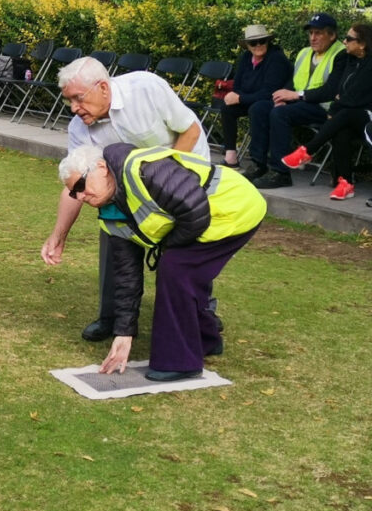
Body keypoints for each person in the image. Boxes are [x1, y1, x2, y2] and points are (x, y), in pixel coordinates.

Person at [59, 143, 266, 381]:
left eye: (81, 185)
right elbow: (127, 277)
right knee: (181, 273)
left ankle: (180, 361)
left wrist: (167, 248)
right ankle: (206, 340)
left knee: (176, 269)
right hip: (206, 219)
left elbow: (195, 211)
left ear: (102, 167)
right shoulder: (110, 216)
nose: (81, 196)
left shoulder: (146, 170)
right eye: (74, 193)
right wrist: (123, 334)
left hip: (235, 208)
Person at [41, 56, 211, 342]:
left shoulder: (146, 89)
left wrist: (170, 183)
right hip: (131, 187)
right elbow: (77, 182)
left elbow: (190, 130)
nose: (74, 108)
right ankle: (112, 317)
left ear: (103, 88)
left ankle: (201, 313)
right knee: (113, 231)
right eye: (68, 101)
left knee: (186, 248)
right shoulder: (79, 129)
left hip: (185, 175)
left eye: (78, 98)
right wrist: (58, 236)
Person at [246, 13, 346, 189]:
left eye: (318, 33)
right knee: (259, 108)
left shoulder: (341, 54)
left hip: (324, 108)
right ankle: (258, 164)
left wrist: (296, 96)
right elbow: (293, 81)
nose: (313, 38)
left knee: (280, 114)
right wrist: (282, 96)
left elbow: (331, 90)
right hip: (300, 103)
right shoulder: (304, 53)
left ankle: (280, 172)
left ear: (332, 35)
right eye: (311, 33)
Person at [280, 23, 372, 201]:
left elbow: (355, 98)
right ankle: (345, 183)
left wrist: (338, 105)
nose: (344, 41)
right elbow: (341, 92)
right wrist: (337, 106)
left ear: (362, 44)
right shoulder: (350, 61)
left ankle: (307, 150)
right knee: (341, 132)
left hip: (367, 116)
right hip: (350, 115)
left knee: (346, 114)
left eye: (349, 39)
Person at [219, 24, 292, 167]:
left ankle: (258, 161)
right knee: (227, 108)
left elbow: (269, 92)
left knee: (257, 108)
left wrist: (240, 98)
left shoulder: (277, 59)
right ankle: (231, 156)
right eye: (253, 43)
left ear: (268, 41)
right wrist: (235, 96)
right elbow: (238, 85)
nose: (258, 45)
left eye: (262, 41)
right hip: (251, 99)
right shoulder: (246, 57)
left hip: (275, 102)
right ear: (247, 45)